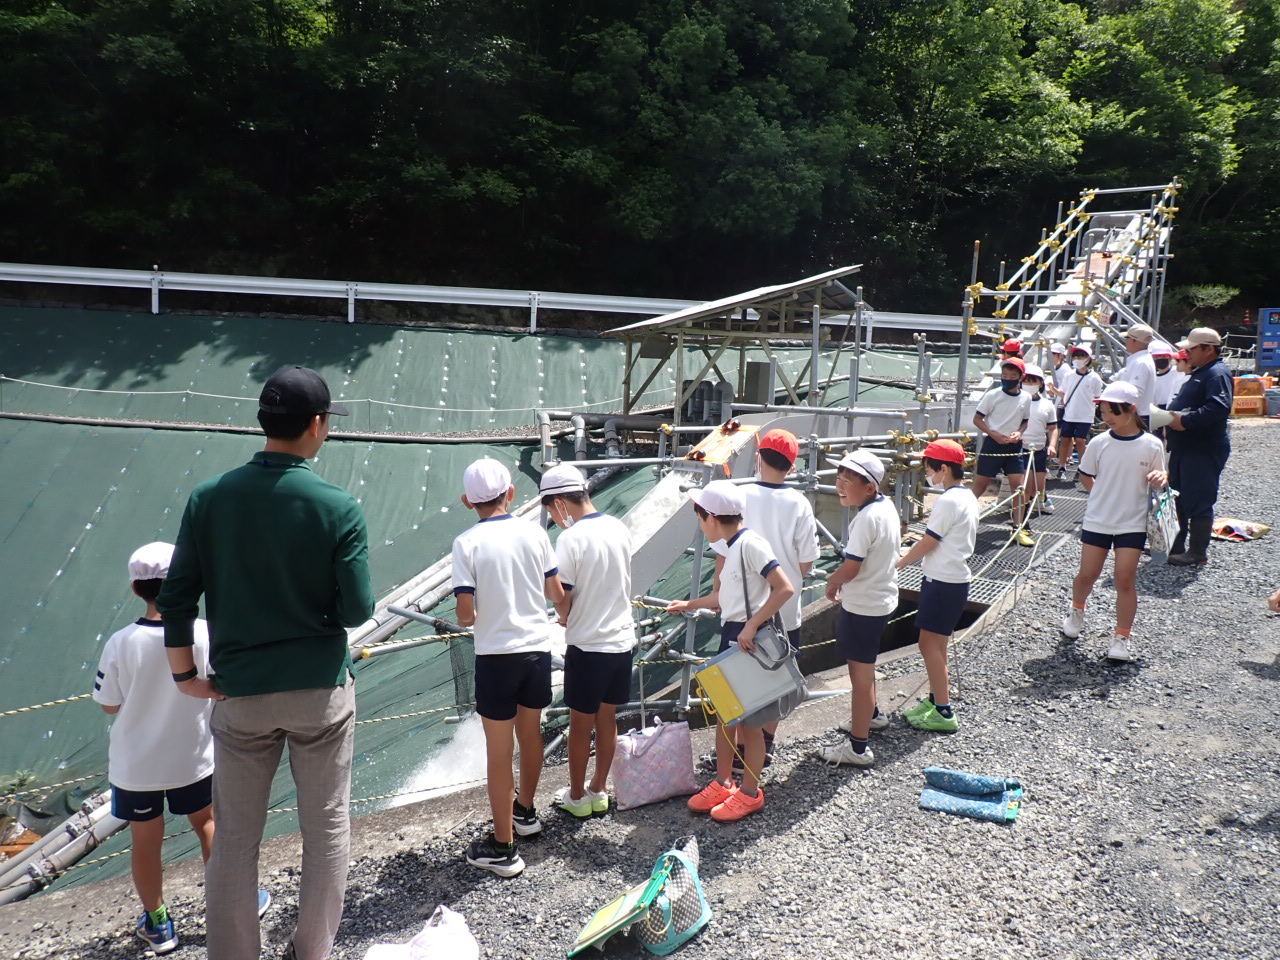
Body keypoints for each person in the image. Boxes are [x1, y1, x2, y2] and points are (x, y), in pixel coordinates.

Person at [159, 366, 374, 960]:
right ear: (316, 425)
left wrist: (186, 678)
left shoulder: (209, 499)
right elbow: (357, 609)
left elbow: (176, 598)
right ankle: (311, 950)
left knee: (234, 839)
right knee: (325, 831)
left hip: (238, 695)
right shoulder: (338, 507)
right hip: (318, 694)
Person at [95, 543, 220, 954]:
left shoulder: (120, 642)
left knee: (146, 841)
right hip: (194, 757)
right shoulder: (203, 632)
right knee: (207, 823)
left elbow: (109, 704)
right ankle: (230, 901)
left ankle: (159, 923)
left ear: (135, 589)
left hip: (136, 767)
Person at [452, 458, 565, 876]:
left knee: (499, 754)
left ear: (468, 501)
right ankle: (526, 813)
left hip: (496, 658)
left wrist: (482, 611)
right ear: (511, 493)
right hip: (537, 651)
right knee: (531, 733)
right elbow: (555, 592)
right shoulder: (535, 533)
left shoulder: (466, 543)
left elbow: (466, 615)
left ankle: (503, 849)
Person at [667, 480, 794, 822]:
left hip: (746, 638)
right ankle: (724, 782)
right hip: (734, 634)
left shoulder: (750, 544)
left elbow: (785, 588)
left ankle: (750, 793)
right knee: (725, 714)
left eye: (699, 517)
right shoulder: (734, 545)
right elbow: (726, 600)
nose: (699, 524)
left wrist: (752, 625)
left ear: (710, 517)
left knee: (749, 724)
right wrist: (688, 604)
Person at [539, 463, 635, 819]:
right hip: (622, 641)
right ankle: (599, 790)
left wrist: (561, 610)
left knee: (580, 725)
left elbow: (562, 596)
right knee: (607, 719)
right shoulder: (618, 527)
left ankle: (576, 796)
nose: (551, 515)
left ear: (561, 501)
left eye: (550, 507)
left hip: (588, 644)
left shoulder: (570, 538)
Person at [1060, 382, 1167, 662]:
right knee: (1088, 574)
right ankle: (1076, 610)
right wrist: (1100, 494)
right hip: (1098, 519)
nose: (1107, 418)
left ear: (1132, 410)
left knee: (1125, 579)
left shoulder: (1152, 444)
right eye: (1104, 411)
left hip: (1132, 523)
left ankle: (1122, 637)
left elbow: (1162, 478)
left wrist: (1161, 478)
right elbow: (1085, 474)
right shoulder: (1099, 442)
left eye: (1113, 412)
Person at [735, 428, 819, 766]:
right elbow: (807, 560)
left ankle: (742, 749)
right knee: (777, 678)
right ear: (791, 465)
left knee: (742, 680)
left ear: (759, 457)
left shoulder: (740, 496)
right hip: (785, 606)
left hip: (744, 605)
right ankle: (766, 743)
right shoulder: (799, 503)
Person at [815, 450, 899, 766]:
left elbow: (851, 567)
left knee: (860, 675)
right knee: (865, 668)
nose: (840, 485)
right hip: (880, 599)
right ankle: (872, 716)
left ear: (869, 487)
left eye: (847, 480)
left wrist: (832, 582)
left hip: (864, 605)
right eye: (839, 478)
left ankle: (858, 747)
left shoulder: (865, 518)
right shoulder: (885, 507)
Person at [895, 440, 978, 733]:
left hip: (942, 581)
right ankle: (936, 700)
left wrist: (900, 562)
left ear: (943, 469)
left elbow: (931, 541)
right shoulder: (967, 495)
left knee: (927, 643)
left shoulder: (947, 500)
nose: (926, 473)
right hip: (954, 580)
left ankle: (943, 711)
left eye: (929, 468)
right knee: (938, 644)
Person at [1165, 328, 1233, 566]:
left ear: (1208, 349)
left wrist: (1185, 421)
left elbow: (1218, 408)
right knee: (1179, 497)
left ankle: (1197, 552)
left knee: (1198, 498)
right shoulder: (1204, 372)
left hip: (1202, 448)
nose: (1187, 353)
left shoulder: (1215, 373)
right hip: (1187, 446)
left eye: (1192, 349)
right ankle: (1175, 545)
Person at [971, 357, 1033, 547]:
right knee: (980, 486)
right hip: (993, 444)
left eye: (1012, 376)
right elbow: (977, 419)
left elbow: (1025, 420)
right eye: (1004, 375)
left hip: (1014, 446)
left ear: (1020, 378)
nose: (1007, 379)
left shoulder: (1026, 397)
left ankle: (1017, 527)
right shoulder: (993, 395)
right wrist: (993, 434)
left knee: (1018, 488)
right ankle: (962, 521)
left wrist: (1019, 433)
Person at [1056, 344, 1104, 478]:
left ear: (1088, 358)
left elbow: (1097, 397)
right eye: (1075, 356)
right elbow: (1063, 393)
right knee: (1065, 440)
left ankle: (1082, 468)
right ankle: (1061, 467)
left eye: (1081, 356)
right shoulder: (1069, 375)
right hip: (1069, 414)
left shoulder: (1095, 378)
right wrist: (1053, 390)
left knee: (1081, 441)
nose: (1077, 359)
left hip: (1085, 416)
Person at [1021, 364, 1060, 516]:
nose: (1029, 385)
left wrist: (1052, 445)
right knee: (1026, 484)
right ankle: (1023, 517)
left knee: (1038, 485)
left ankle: (1040, 498)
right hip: (1022, 447)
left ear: (1041, 384)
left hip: (1039, 448)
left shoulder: (1047, 404)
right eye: (1026, 381)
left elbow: (1053, 428)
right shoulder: (1017, 401)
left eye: (1033, 382)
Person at [1111, 323, 1158, 426]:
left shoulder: (1141, 362)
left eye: (1127, 338)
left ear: (1133, 340)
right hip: (1138, 414)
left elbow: (1136, 391)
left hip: (1137, 415)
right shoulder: (1140, 360)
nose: (1126, 341)